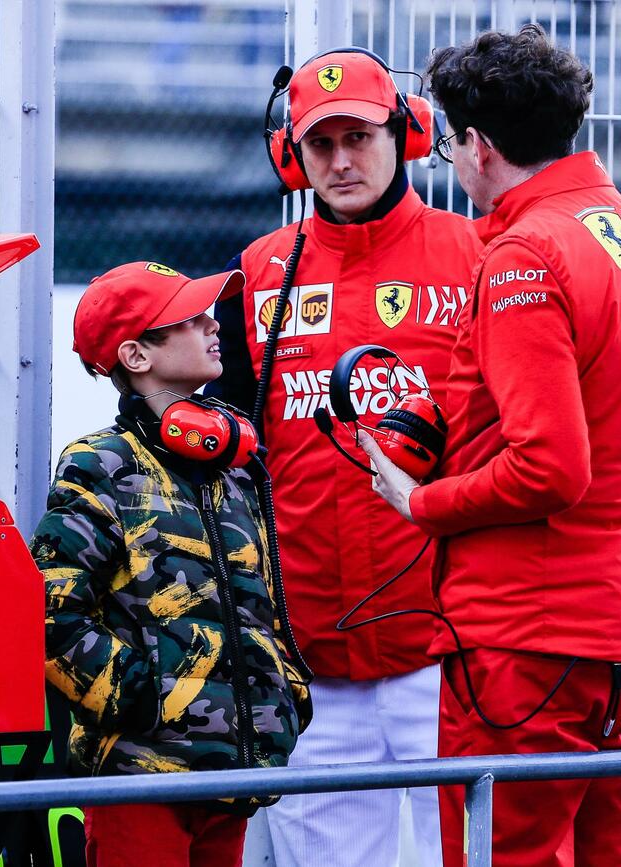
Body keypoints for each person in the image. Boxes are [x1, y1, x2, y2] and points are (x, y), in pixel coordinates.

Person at [357, 24, 621, 866]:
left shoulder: (526, 252)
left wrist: (421, 500)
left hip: (524, 636)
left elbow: (551, 465)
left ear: (478, 143)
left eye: (447, 141)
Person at [207, 47, 482, 867]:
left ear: (408, 134)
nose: (339, 161)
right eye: (319, 142)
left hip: (446, 649)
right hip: (310, 657)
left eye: (358, 137)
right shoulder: (256, 274)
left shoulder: (482, 255)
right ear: (291, 152)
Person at [32, 261, 312, 867]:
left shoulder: (233, 469)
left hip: (233, 775)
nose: (216, 326)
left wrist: (284, 695)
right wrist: (147, 702)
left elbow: (261, 604)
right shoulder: (101, 467)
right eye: (191, 319)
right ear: (136, 356)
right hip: (142, 782)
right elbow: (48, 615)